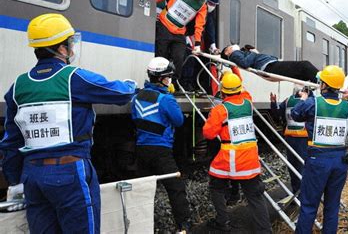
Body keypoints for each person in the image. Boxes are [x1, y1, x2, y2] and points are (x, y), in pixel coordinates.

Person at [0, 13, 136, 233]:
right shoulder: (74, 78)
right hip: (69, 171)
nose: (73, 48)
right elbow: (119, 93)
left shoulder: (18, 87)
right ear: (61, 49)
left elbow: (10, 141)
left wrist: (15, 180)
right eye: (70, 43)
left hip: (32, 176)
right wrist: (131, 84)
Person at [203, 73, 271, 233]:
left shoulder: (220, 110)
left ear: (222, 91)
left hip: (229, 160)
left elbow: (208, 133)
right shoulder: (248, 103)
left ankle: (222, 221)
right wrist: (235, 69)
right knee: (255, 197)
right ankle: (265, 230)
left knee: (216, 187)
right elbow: (243, 89)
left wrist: (210, 118)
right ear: (239, 89)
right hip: (251, 160)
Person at [130, 57, 191, 231]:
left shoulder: (137, 97)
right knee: (176, 188)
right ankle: (183, 226)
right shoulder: (166, 99)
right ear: (162, 78)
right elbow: (178, 121)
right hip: (161, 151)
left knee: (143, 190)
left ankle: (140, 226)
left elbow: (135, 118)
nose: (170, 79)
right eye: (169, 76)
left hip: (141, 148)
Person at [291, 66, 348, 233]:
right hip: (340, 161)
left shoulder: (313, 103)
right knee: (332, 206)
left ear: (324, 84)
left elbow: (296, 115)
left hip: (318, 161)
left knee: (309, 205)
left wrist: (303, 99)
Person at [155, 0, 219, 78]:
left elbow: (199, 26)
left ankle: (172, 83)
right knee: (161, 56)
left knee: (179, 59)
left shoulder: (203, 6)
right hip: (164, 26)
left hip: (180, 32)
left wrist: (197, 45)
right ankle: (158, 81)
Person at [270, 85, 308, 193]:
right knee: (302, 166)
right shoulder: (309, 101)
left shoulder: (287, 101)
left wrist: (273, 103)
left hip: (290, 139)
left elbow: (277, 114)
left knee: (292, 166)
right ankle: (301, 193)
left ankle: (296, 191)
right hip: (303, 139)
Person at [221, 44, 319, 83]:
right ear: (227, 52)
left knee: (302, 75)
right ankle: (323, 81)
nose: (232, 46)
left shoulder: (238, 53)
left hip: (270, 65)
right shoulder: (233, 54)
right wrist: (252, 53)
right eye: (230, 47)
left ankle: (320, 82)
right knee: (304, 65)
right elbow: (245, 63)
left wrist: (251, 52)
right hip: (269, 67)